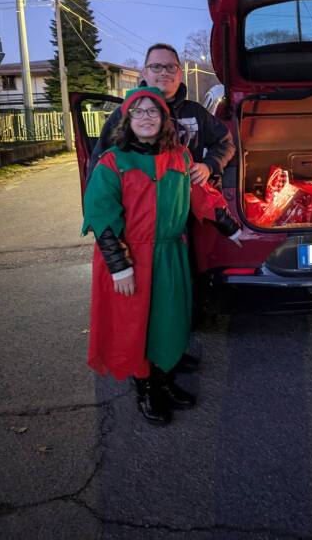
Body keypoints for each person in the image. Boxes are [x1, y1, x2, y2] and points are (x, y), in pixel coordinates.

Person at [82, 86, 242, 425]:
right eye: (137, 111)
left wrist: (231, 227)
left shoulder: (181, 158)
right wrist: (118, 266)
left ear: (164, 120)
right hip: (130, 260)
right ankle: (146, 389)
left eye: (152, 111)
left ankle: (164, 381)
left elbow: (203, 196)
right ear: (126, 120)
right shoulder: (112, 162)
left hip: (170, 254)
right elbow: (101, 214)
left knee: (168, 320)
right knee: (137, 325)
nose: (145, 117)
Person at [88, 43, 235, 187]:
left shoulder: (196, 112)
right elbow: (99, 162)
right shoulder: (125, 114)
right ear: (144, 73)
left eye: (171, 67)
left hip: (189, 204)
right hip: (138, 207)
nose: (164, 72)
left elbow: (225, 142)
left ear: (179, 73)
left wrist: (208, 166)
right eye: (156, 67)